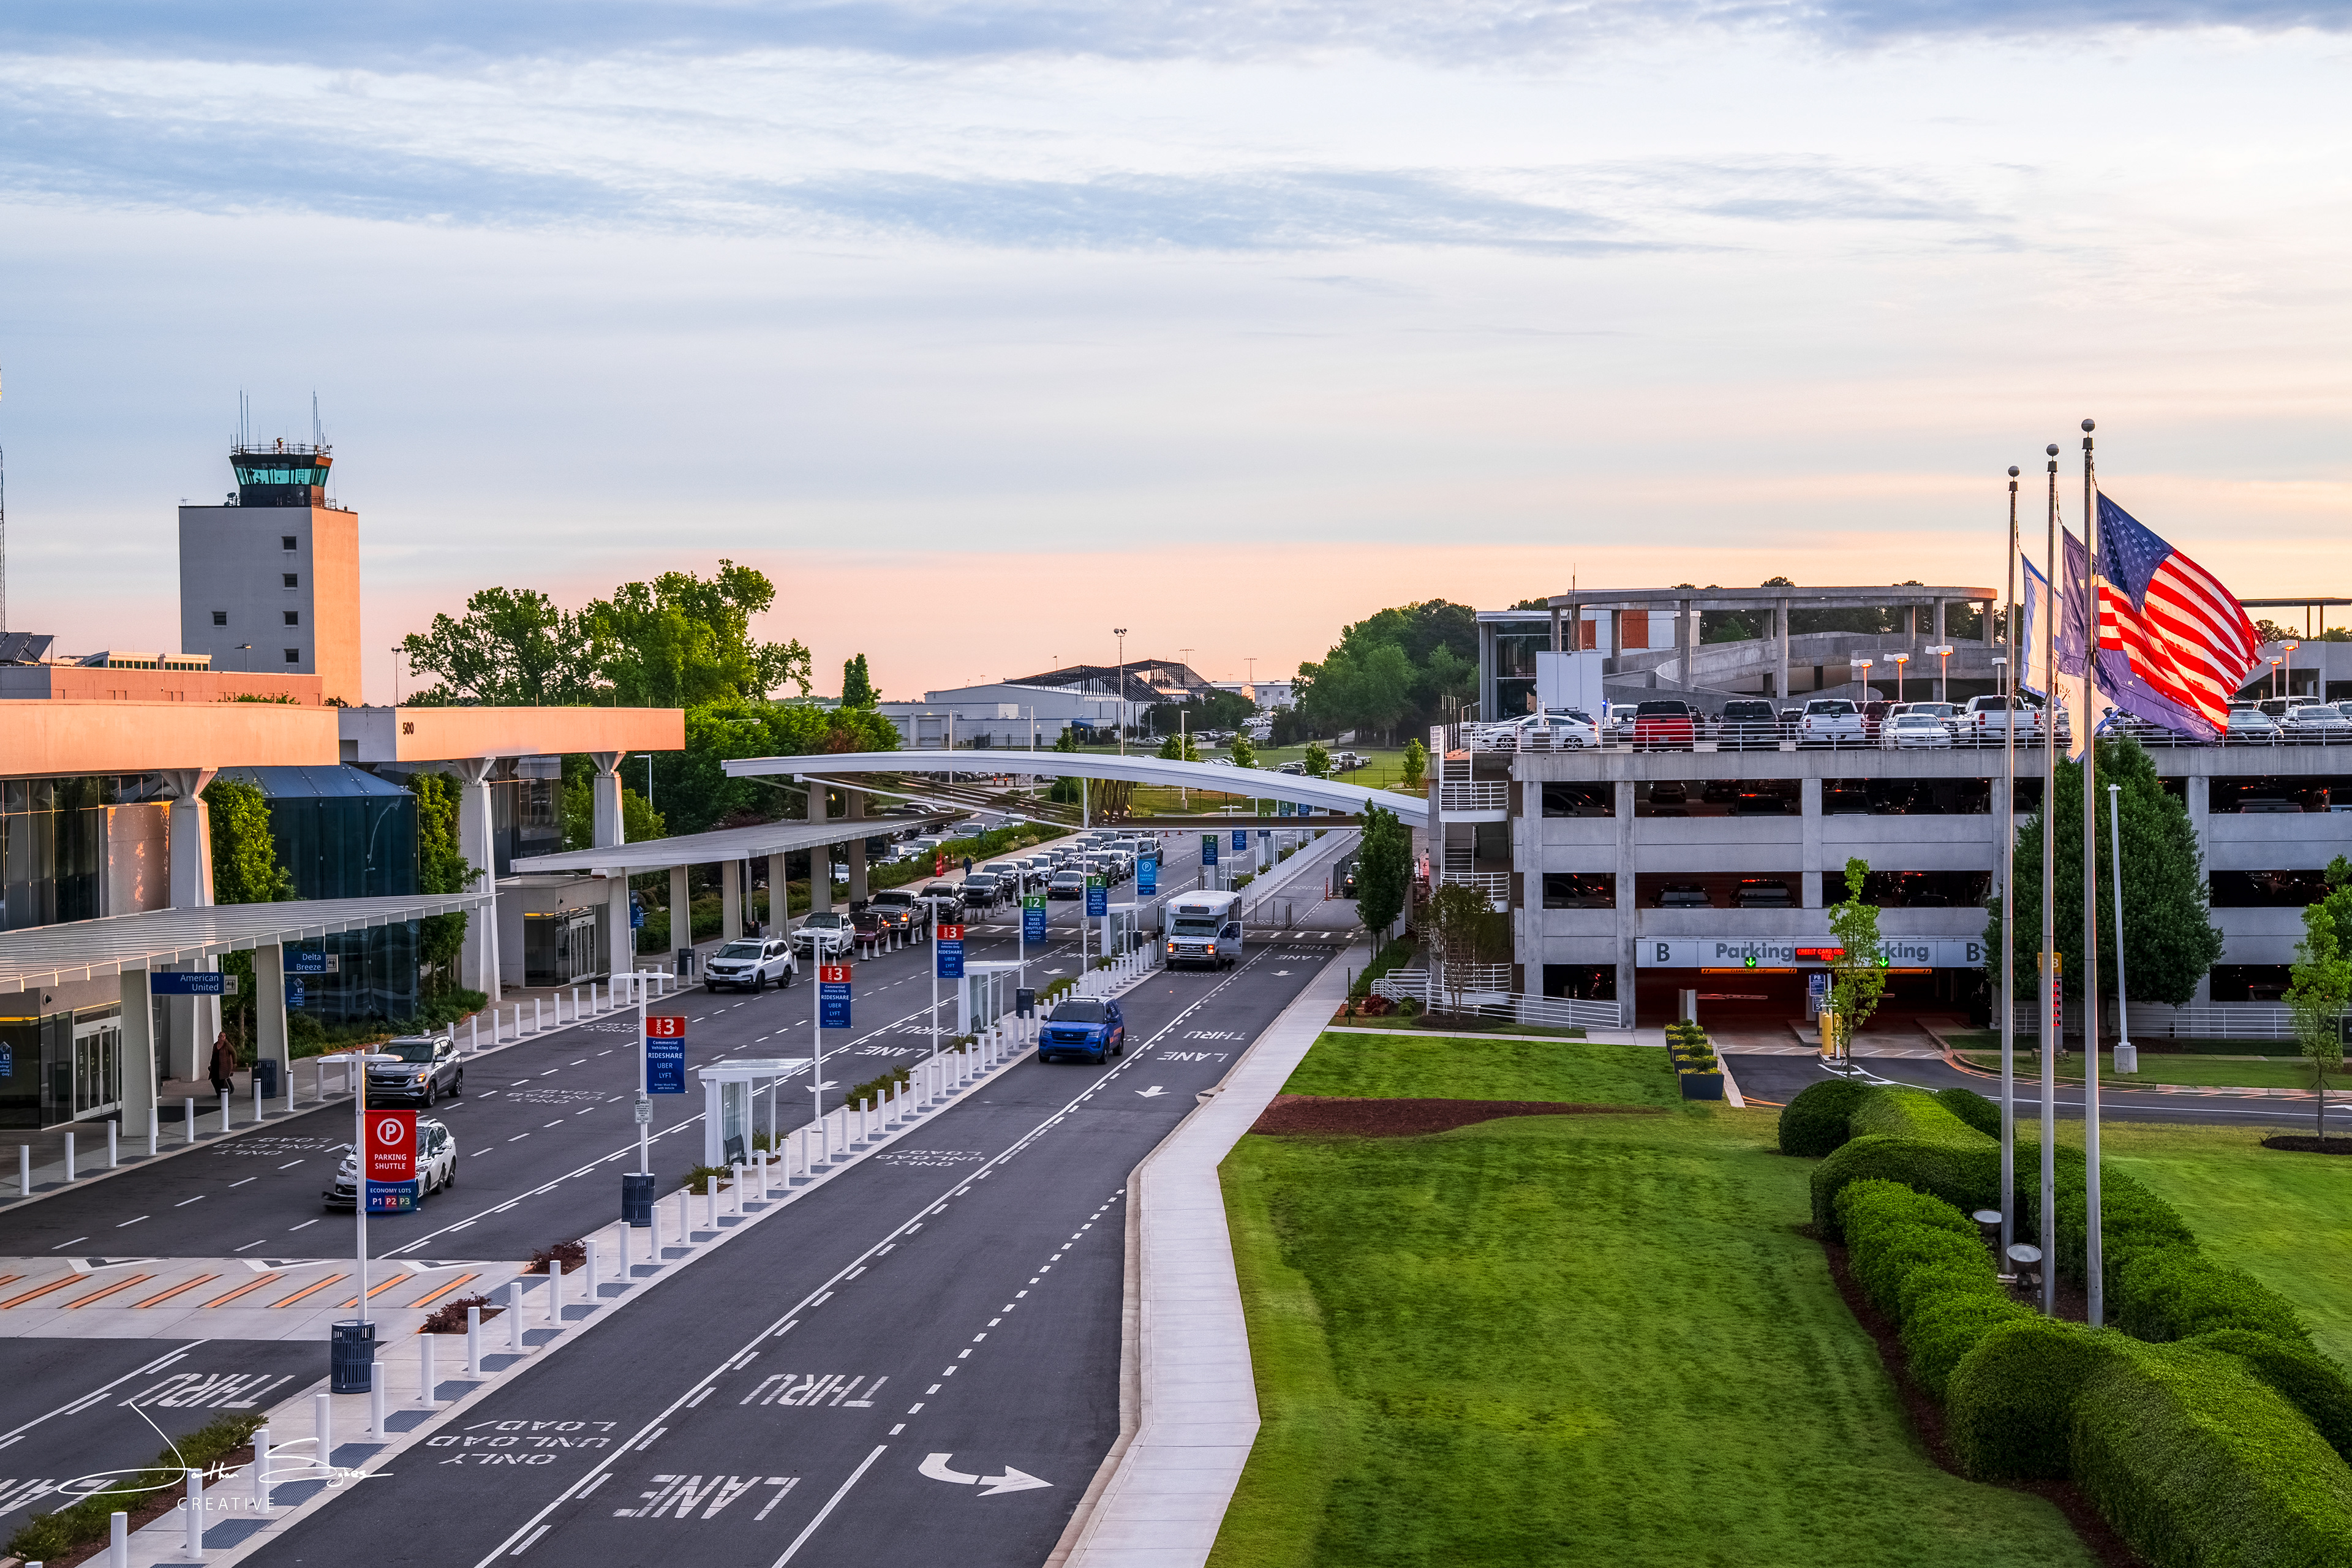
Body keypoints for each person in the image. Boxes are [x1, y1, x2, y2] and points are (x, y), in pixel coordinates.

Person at [207, 1032, 238, 1098]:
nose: (220, 1038)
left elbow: (233, 1052)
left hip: (225, 1065)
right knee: (214, 1079)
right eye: (219, 1036)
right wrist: (211, 1063)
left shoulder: (227, 1045)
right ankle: (219, 1091)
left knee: (222, 1079)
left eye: (222, 1036)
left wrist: (235, 1062)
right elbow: (213, 1055)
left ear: (224, 1037)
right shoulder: (215, 1045)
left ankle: (224, 1092)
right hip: (215, 1065)